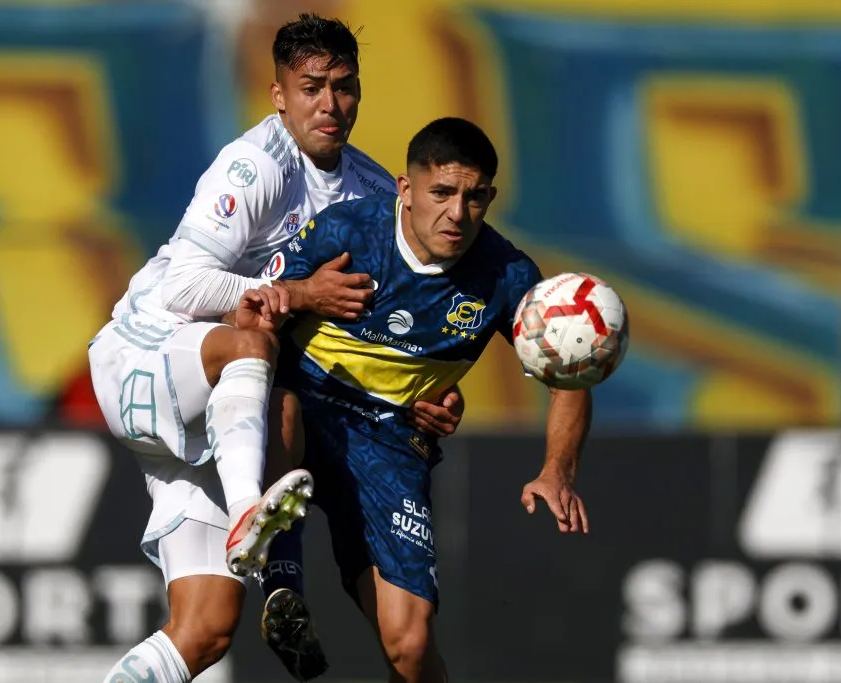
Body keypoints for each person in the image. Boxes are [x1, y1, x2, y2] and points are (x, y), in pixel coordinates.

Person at [87, 14, 462, 683]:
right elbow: (183, 285)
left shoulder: (375, 195)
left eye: (343, 87)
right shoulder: (256, 165)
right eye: (311, 87)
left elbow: (394, 325)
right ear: (279, 95)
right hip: (145, 356)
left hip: (223, 417)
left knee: (204, 632)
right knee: (252, 342)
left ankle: (252, 536)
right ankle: (248, 519)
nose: (329, 104)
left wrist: (431, 390)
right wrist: (301, 292)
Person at [246, 116, 592, 683]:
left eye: (474, 197)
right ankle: (283, 586)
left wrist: (557, 471)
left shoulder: (508, 276)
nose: (457, 213)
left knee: (410, 644)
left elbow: (569, 376)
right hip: (307, 403)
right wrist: (301, 294)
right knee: (278, 408)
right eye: (442, 193)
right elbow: (253, 314)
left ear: (490, 199)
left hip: (391, 442)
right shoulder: (347, 230)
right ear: (405, 190)